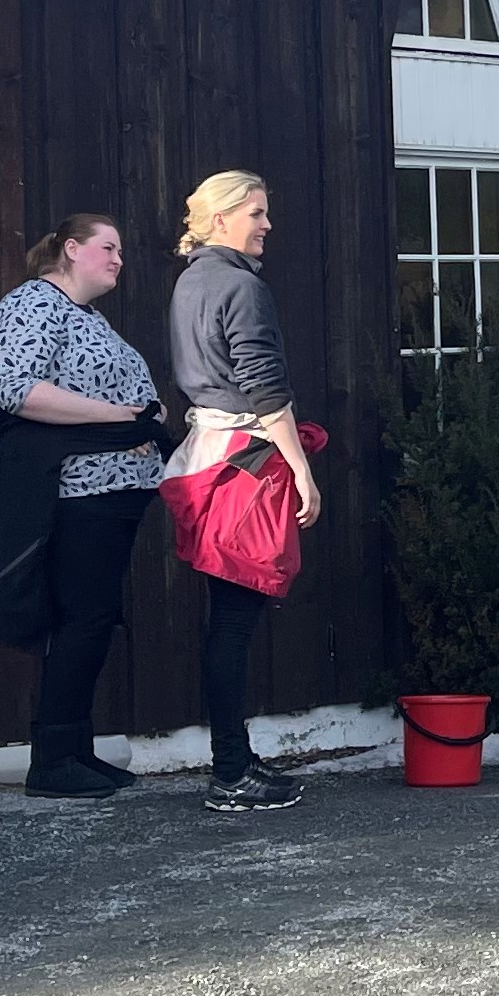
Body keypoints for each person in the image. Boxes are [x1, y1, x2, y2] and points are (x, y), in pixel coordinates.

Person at [0, 211, 172, 803]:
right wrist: (122, 417)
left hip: (113, 491)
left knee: (91, 619)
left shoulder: (85, 317)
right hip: (77, 492)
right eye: (108, 247)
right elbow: (18, 388)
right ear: (71, 249)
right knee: (82, 620)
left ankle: (74, 748)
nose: (119, 259)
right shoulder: (33, 305)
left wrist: (148, 416)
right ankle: (55, 759)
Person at [160, 171, 317, 811]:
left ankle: (236, 760)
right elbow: (264, 384)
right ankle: (230, 773)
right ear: (223, 218)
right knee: (232, 623)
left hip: (209, 458)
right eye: (257, 212)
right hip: (245, 464)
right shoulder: (241, 287)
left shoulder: (192, 280)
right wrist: (301, 467)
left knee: (227, 620)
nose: (267, 224)